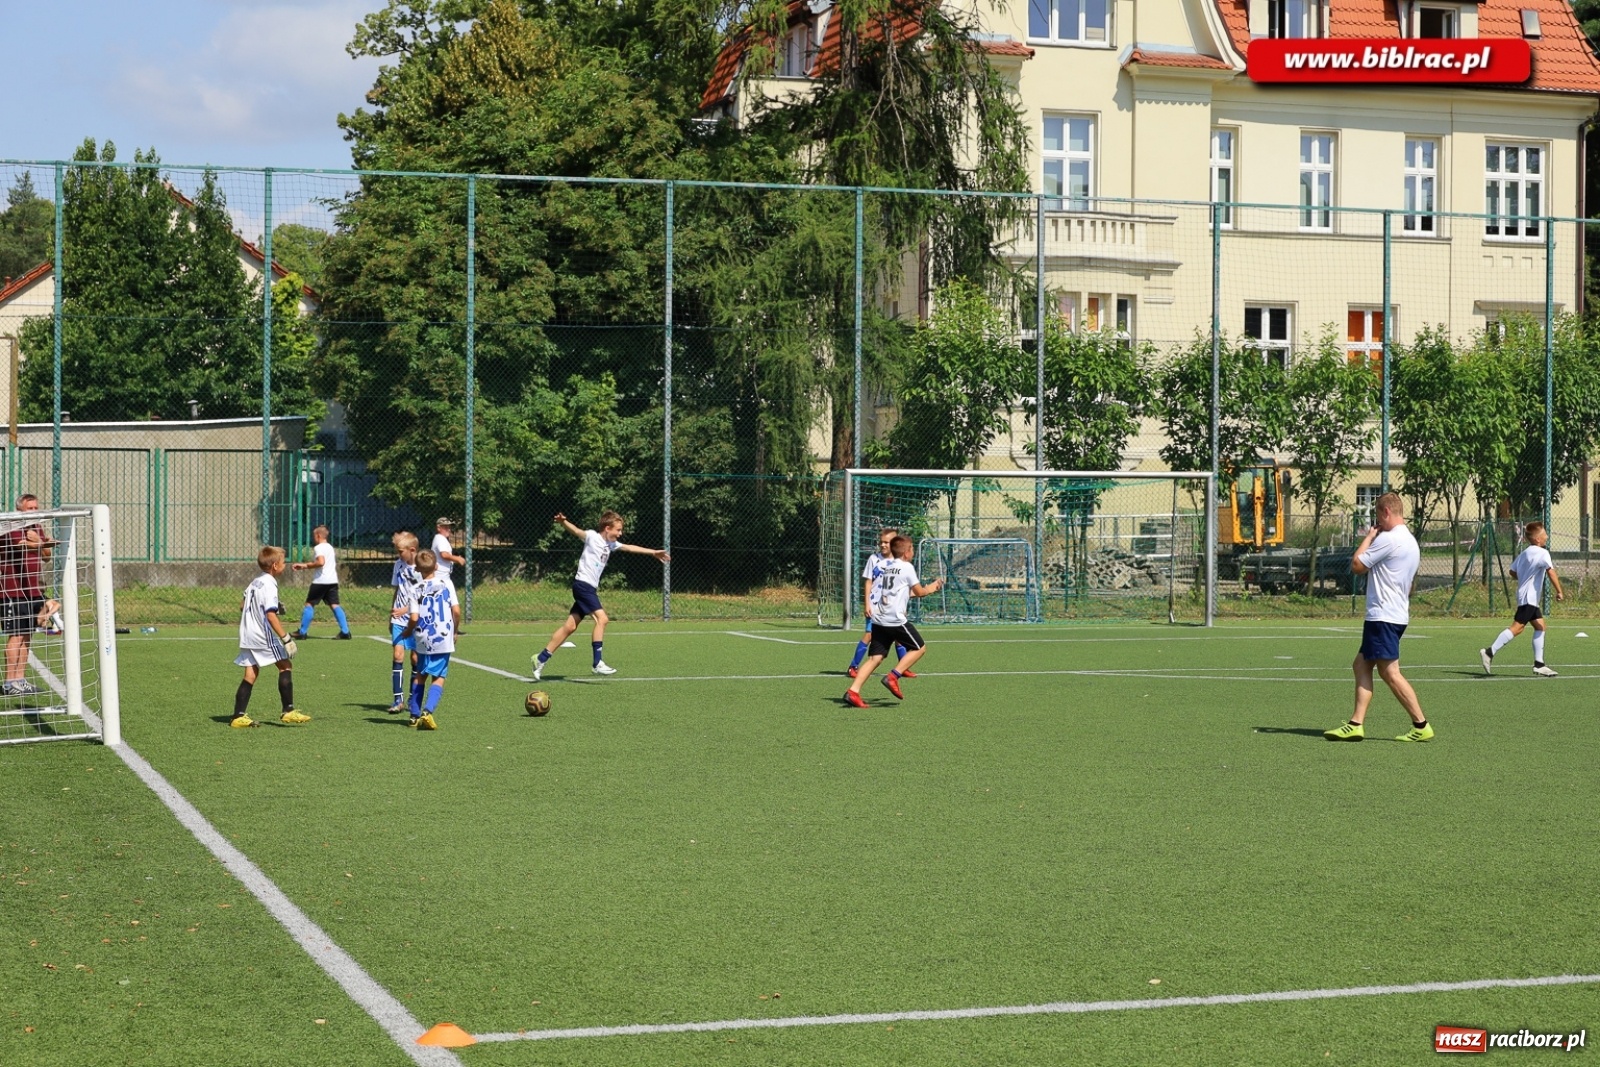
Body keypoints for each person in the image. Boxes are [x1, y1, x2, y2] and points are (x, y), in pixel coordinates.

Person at [1325, 492, 1431, 742]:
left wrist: (1369, 537)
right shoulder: (1410, 541)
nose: (1377, 522)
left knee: (1390, 672)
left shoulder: (1389, 539)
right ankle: (1355, 724)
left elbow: (1357, 565)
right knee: (1361, 665)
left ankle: (1421, 725)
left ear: (1386, 512)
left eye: (1378, 516)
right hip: (1395, 614)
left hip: (1383, 615)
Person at [531, 510, 669, 680]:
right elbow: (576, 531)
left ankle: (541, 658)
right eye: (618, 530)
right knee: (602, 619)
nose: (620, 533)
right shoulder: (592, 537)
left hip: (588, 589)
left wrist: (653, 552)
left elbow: (629, 547)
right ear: (607, 528)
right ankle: (597, 663)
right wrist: (563, 522)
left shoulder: (611, 544)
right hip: (583, 586)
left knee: (570, 627)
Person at [844, 534, 944, 707]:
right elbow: (919, 592)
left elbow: (900, 592)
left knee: (875, 658)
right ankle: (893, 676)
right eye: (912, 548)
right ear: (906, 552)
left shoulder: (886, 566)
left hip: (879, 619)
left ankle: (853, 691)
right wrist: (931, 588)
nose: (913, 551)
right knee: (919, 648)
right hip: (894, 620)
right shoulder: (907, 567)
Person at [231, 546, 310, 728]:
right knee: (285, 665)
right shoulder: (269, 583)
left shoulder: (255, 581)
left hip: (247, 633)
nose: (285, 565)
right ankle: (288, 711)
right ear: (275, 566)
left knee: (251, 673)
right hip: (261, 635)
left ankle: (238, 716)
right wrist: (286, 638)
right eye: (283, 562)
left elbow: (243, 605)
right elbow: (270, 616)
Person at [1480, 521, 1564, 677]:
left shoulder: (1525, 553)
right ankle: (1489, 652)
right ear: (1537, 539)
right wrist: (1559, 591)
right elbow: (1551, 572)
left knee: (1540, 626)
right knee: (1517, 628)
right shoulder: (1543, 553)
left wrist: (1524, 576)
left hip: (1525, 597)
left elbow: (1512, 572)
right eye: (1544, 534)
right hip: (1529, 598)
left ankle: (1539, 664)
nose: (1547, 536)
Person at [1, 494, 60, 697]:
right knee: (16, 635)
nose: (34, 511)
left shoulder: (36, 527)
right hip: (13, 590)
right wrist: (41, 543)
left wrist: (41, 543)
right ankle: (9, 683)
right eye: (30, 508)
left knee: (27, 635)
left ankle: (20, 680)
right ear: (20, 510)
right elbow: (22, 545)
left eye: (36, 508)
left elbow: (46, 557)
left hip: (33, 590)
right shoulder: (10, 526)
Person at [399, 549, 460, 730]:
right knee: (439, 677)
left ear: (417, 569)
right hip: (443, 636)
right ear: (437, 566)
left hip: (423, 637)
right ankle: (427, 711)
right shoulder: (447, 583)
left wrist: (407, 631)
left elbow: (414, 617)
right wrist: (455, 631)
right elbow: (456, 611)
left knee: (420, 675)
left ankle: (413, 716)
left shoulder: (414, 589)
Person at [845, 528, 913, 680]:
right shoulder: (874, 559)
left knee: (899, 637)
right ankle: (853, 666)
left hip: (893, 607)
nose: (882, 545)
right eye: (881, 542)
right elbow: (868, 582)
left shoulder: (899, 562)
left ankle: (903, 667)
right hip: (875, 606)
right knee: (869, 635)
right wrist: (867, 604)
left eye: (886, 542)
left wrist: (903, 606)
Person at [289, 525, 351, 640]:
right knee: (335, 605)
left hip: (321, 581)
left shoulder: (319, 548)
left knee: (309, 604)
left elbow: (321, 562)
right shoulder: (330, 547)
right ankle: (345, 631)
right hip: (332, 581)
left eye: (314, 535)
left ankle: (302, 632)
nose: (313, 538)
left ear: (318, 535)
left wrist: (304, 565)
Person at [387, 531, 422, 713]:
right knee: (397, 655)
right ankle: (397, 700)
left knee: (415, 658)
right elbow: (398, 590)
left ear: (412, 550)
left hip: (417, 618)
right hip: (399, 619)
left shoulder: (423, 568)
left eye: (400, 551)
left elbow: (424, 597)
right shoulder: (398, 565)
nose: (398, 554)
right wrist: (392, 615)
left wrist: (407, 609)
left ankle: (412, 698)